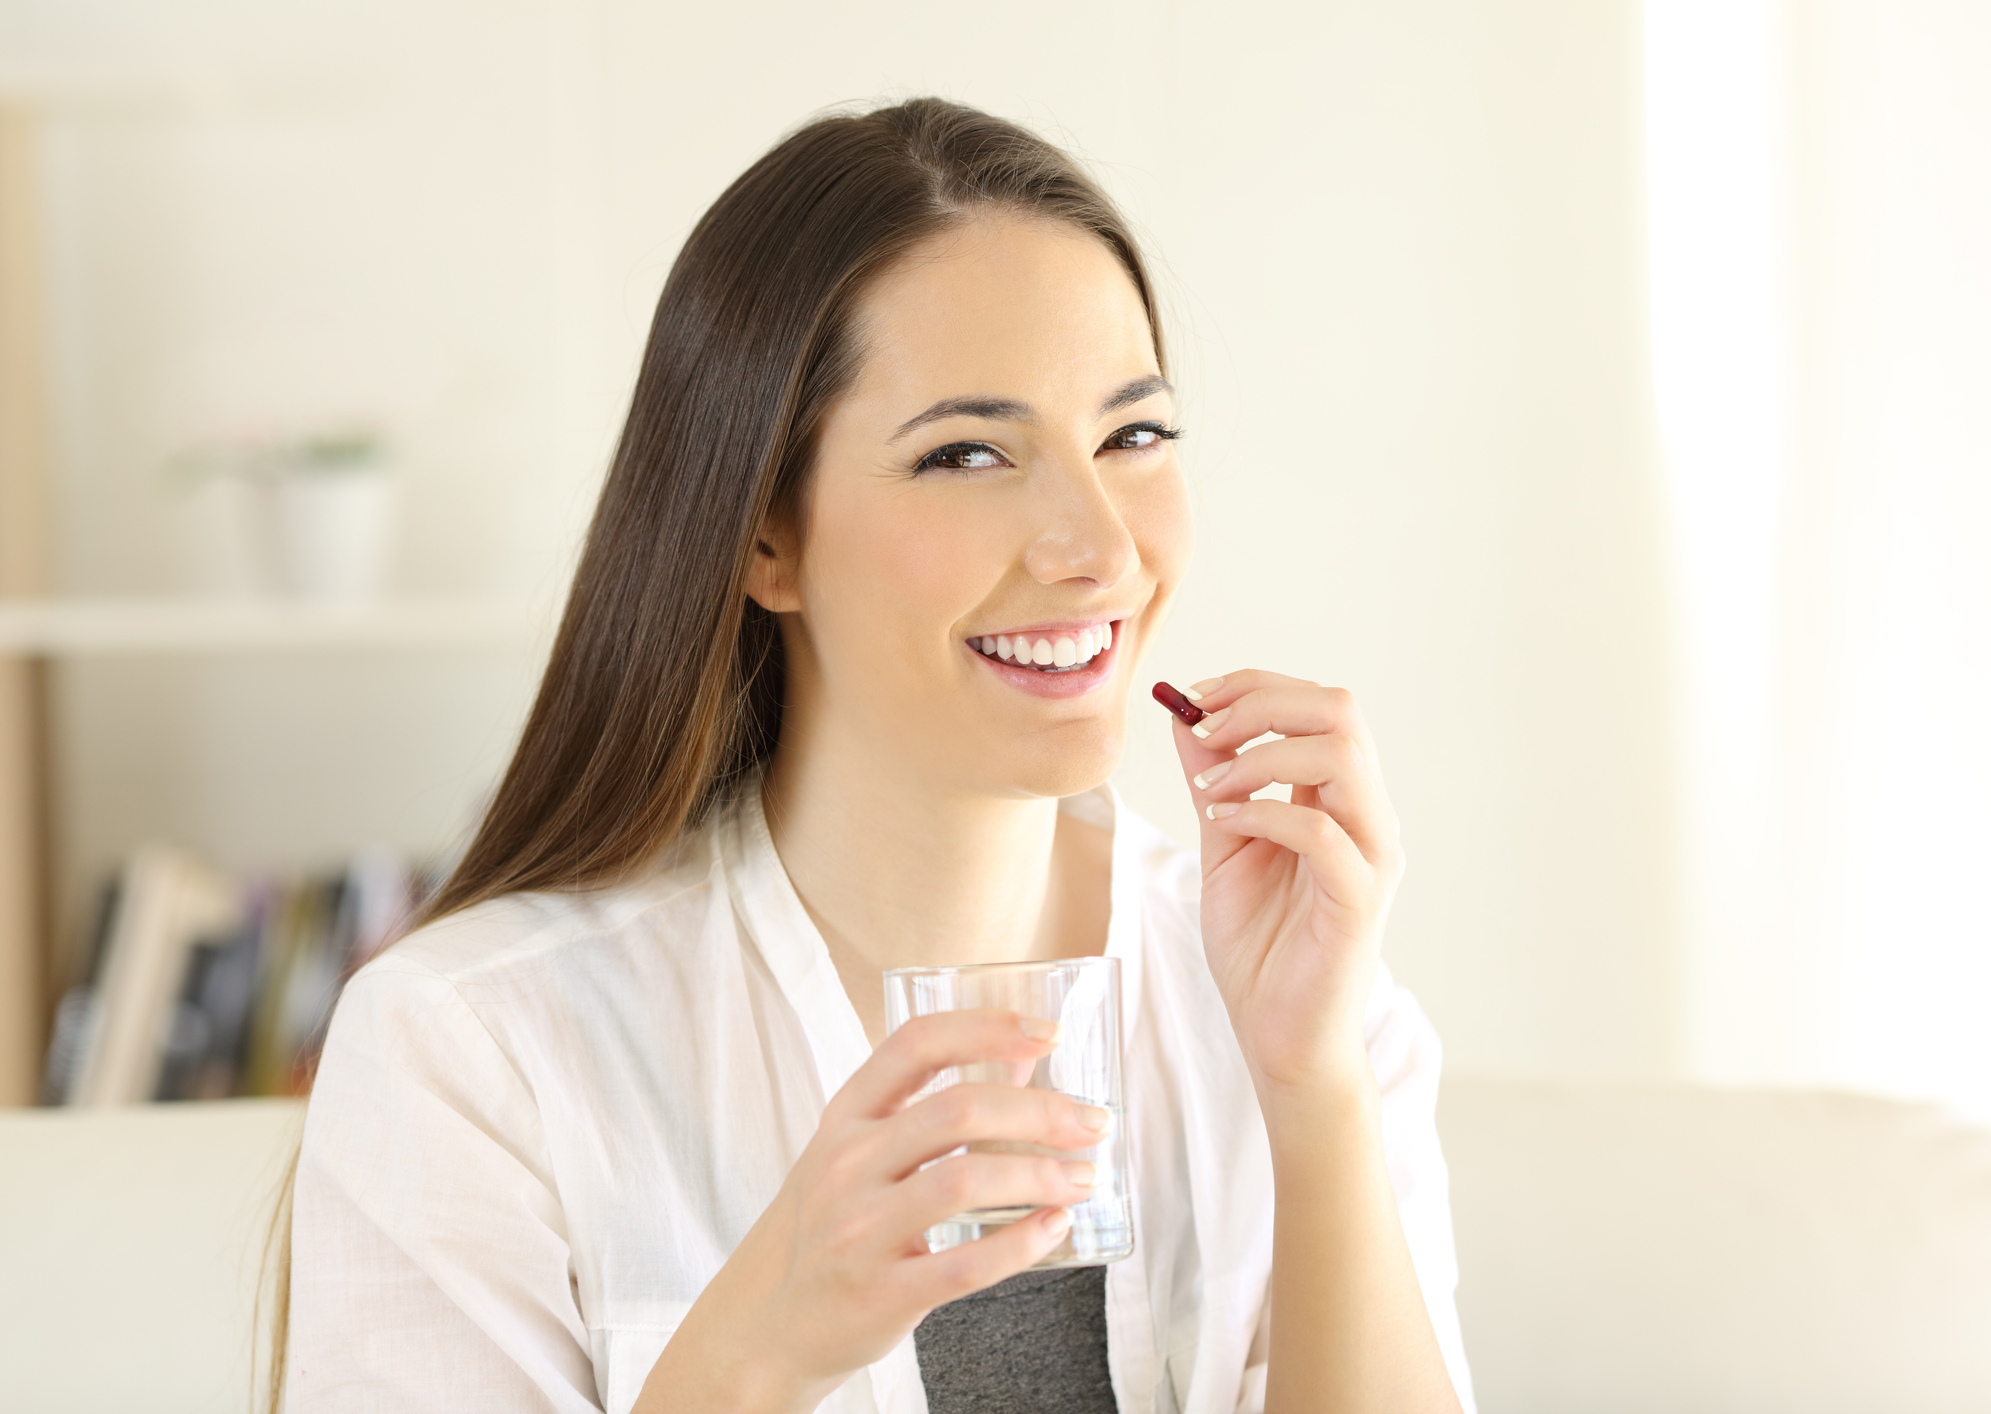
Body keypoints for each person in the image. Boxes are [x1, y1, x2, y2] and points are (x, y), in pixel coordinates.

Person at [287, 96, 1476, 1414]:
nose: (1099, 548)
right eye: (966, 453)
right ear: (765, 538)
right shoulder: (469, 1050)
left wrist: (1312, 1094)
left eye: (1131, 436)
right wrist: (765, 1341)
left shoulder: (1306, 1001)